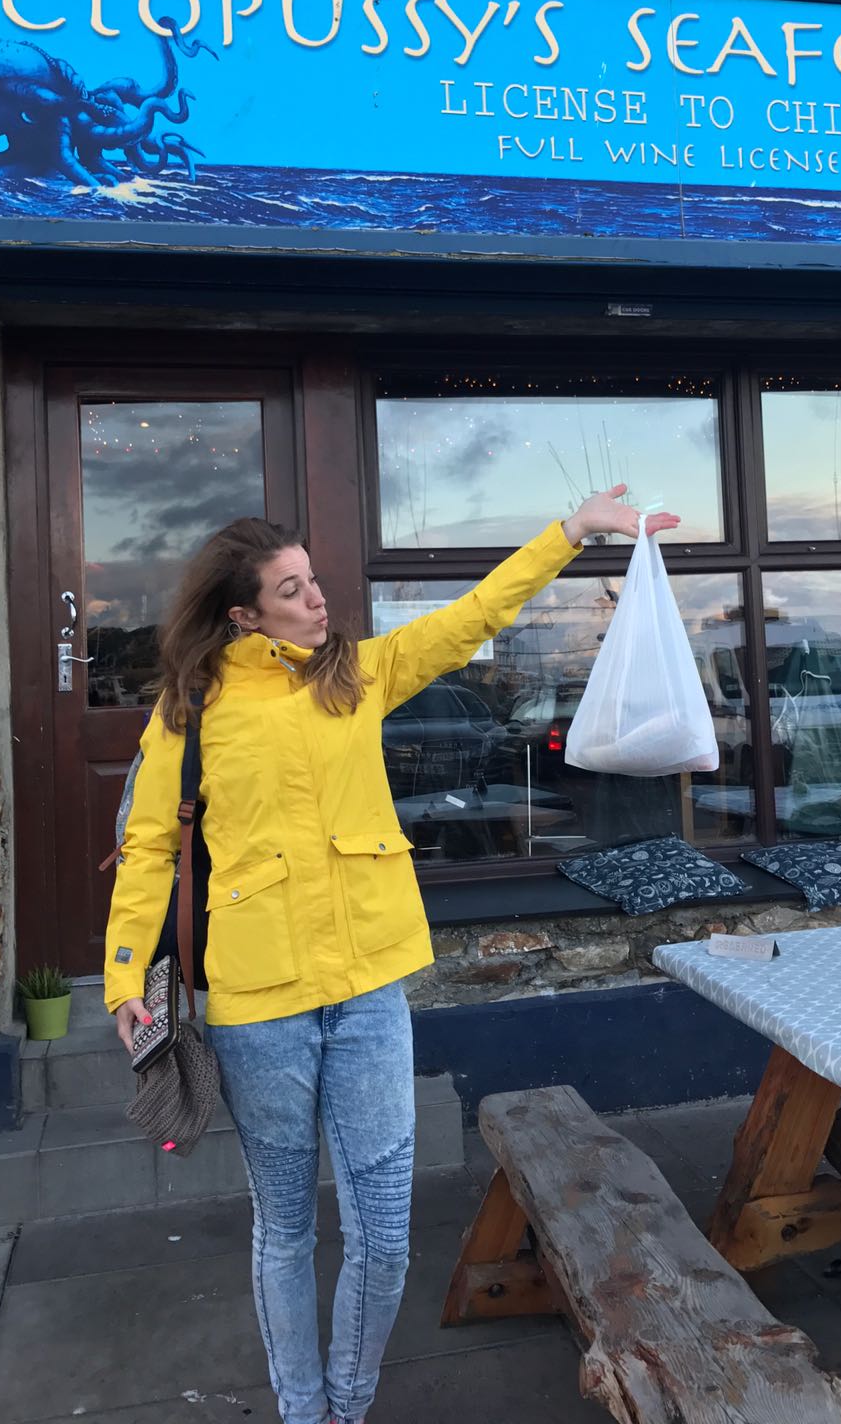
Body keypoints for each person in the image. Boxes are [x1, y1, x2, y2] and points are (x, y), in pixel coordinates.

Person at [104, 485, 679, 1424]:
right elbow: (148, 849)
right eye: (291, 589)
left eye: (313, 578)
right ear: (242, 613)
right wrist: (126, 977)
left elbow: (473, 618)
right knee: (285, 1232)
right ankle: (303, 1411)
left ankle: (349, 1402)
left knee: (384, 1238)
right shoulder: (190, 711)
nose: (317, 597)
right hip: (260, 1002)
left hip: (370, 987)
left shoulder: (354, 676)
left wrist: (570, 531)